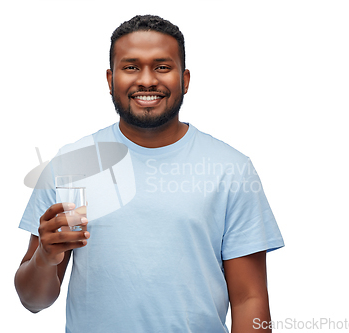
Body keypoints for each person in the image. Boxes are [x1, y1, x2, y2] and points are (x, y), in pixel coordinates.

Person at [14, 15, 284, 333]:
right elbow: (33, 301)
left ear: (184, 79)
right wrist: (45, 256)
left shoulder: (231, 168)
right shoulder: (73, 164)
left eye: (161, 66)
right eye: (131, 67)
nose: (146, 80)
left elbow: (249, 299)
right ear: (110, 79)